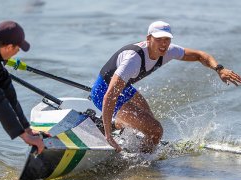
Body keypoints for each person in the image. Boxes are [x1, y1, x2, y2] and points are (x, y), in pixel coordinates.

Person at [91, 21, 241, 153]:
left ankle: (117, 126)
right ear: (148, 39)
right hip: (103, 92)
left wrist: (219, 69)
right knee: (155, 130)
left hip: (124, 88)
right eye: (159, 39)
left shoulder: (169, 51)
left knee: (148, 119)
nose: (163, 44)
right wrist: (108, 137)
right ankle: (140, 160)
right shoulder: (133, 59)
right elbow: (110, 95)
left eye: (167, 39)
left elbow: (199, 55)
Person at [0, 21, 44, 153]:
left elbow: (6, 88)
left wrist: (26, 128)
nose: (17, 53)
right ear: (9, 47)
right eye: (17, 49)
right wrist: (24, 137)